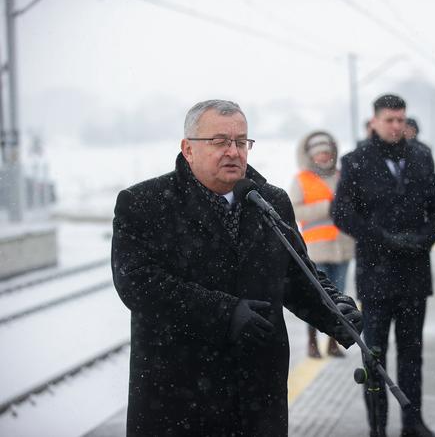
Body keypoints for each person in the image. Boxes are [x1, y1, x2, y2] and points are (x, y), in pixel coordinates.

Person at [111, 100, 362, 437]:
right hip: (180, 397)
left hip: (257, 395)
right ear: (188, 149)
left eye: (241, 141)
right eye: (219, 141)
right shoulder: (145, 204)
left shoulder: (269, 200)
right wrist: (225, 313)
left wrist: (334, 312)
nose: (233, 151)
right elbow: (139, 284)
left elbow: (295, 274)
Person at [332, 94, 435, 437]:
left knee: (413, 354)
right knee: (374, 356)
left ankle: (413, 420)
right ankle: (377, 426)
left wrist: (423, 237)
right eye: (390, 120)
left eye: (401, 120)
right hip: (376, 274)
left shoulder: (421, 156)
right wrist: (382, 237)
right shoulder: (356, 161)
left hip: (413, 271)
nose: (396, 126)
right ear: (375, 121)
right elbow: (342, 213)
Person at [289, 130, 355, 359]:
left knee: (339, 296)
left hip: (342, 246)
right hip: (316, 248)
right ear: (310, 156)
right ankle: (312, 341)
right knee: (316, 297)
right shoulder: (301, 180)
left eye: (327, 153)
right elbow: (295, 210)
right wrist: (328, 207)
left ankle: (334, 342)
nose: (324, 157)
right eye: (319, 154)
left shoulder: (341, 176)